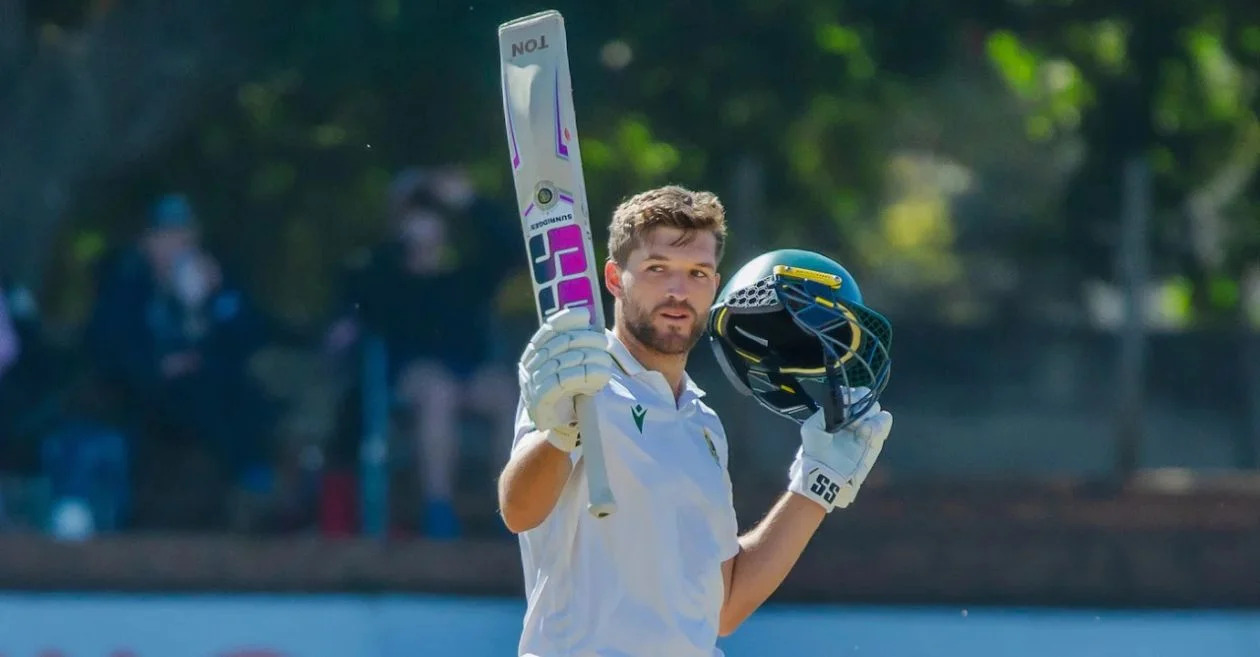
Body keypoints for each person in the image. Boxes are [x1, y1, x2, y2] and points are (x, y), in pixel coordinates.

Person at [497, 184, 895, 657]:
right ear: (613, 277)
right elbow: (519, 512)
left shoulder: (703, 423)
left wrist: (816, 485)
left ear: (715, 283)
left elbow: (724, 608)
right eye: (657, 269)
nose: (678, 291)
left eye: (697, 273)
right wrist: (558, 434)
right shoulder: (578, 382)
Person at [327, 167, 519, 539]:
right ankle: (439, 511)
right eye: (415, 216)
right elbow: (356, 299)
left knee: (504, 392)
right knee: (439, 392)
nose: (424, 225)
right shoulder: (385, 274)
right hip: (412, 378)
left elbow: (512, 250)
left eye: (430, 216)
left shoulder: (466, 276)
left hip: (470, 373)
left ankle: (509, 509)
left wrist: (472, 203)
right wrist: (402, 208)